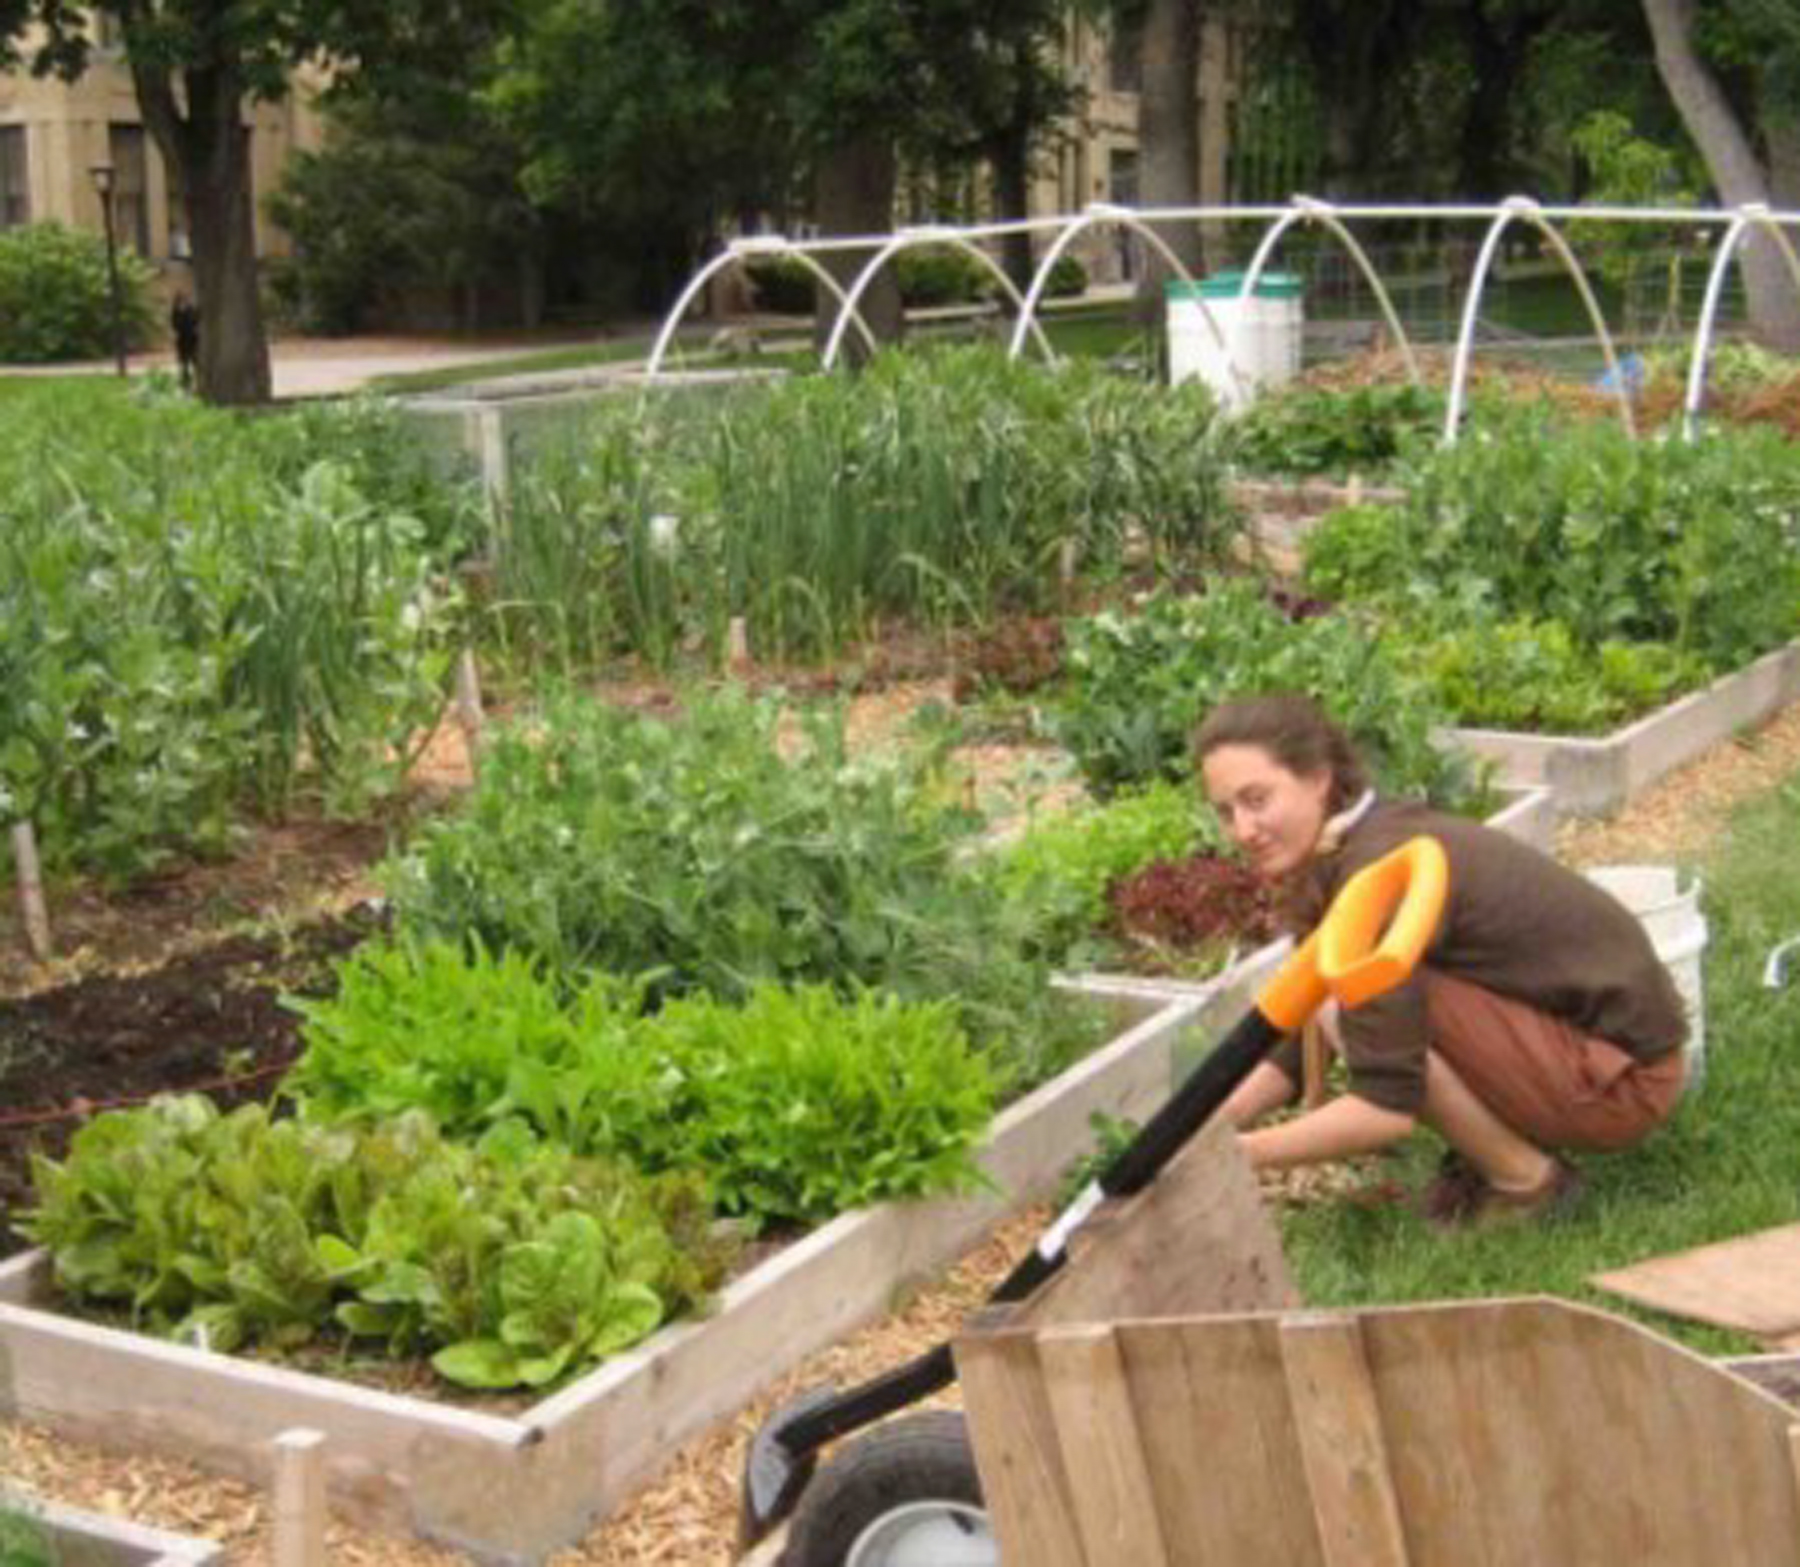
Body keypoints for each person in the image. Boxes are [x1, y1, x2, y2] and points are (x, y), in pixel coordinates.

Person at [1198, 693, 1688, 1226]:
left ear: (1317, 778)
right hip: (1602, 1048)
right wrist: (1211, 1122)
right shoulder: (1361, 839)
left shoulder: (1376, 869)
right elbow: (1297, 1030)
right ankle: (1505, 1147)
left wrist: (1226, 1156)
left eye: (1257, 799)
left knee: (1352, 1003)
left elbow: (1385, 1110)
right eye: (1227, 812)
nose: (1243, 830)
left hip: (1624, 1083)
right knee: (1347, 996)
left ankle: (1528, 1182)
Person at [170, 292, 200, 390]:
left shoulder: (191, 310)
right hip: (182, 340)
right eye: (180, 301)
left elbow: (196, 321)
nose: (182, 303)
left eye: (184, 300)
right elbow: (174, 326)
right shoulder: (175, 312)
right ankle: (185, 384)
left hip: (192, 339)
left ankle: (197, 382)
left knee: (195, 362)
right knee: (184, 364)